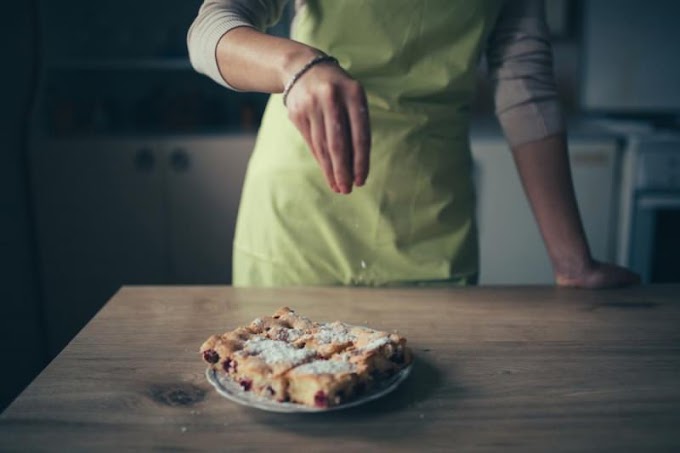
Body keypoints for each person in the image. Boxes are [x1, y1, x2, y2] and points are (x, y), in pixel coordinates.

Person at [187, 0, 639, 288]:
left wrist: (572, 264)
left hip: (431, 230)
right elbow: (210, 29)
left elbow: (526, 86)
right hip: (300, 229)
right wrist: (296, 65)